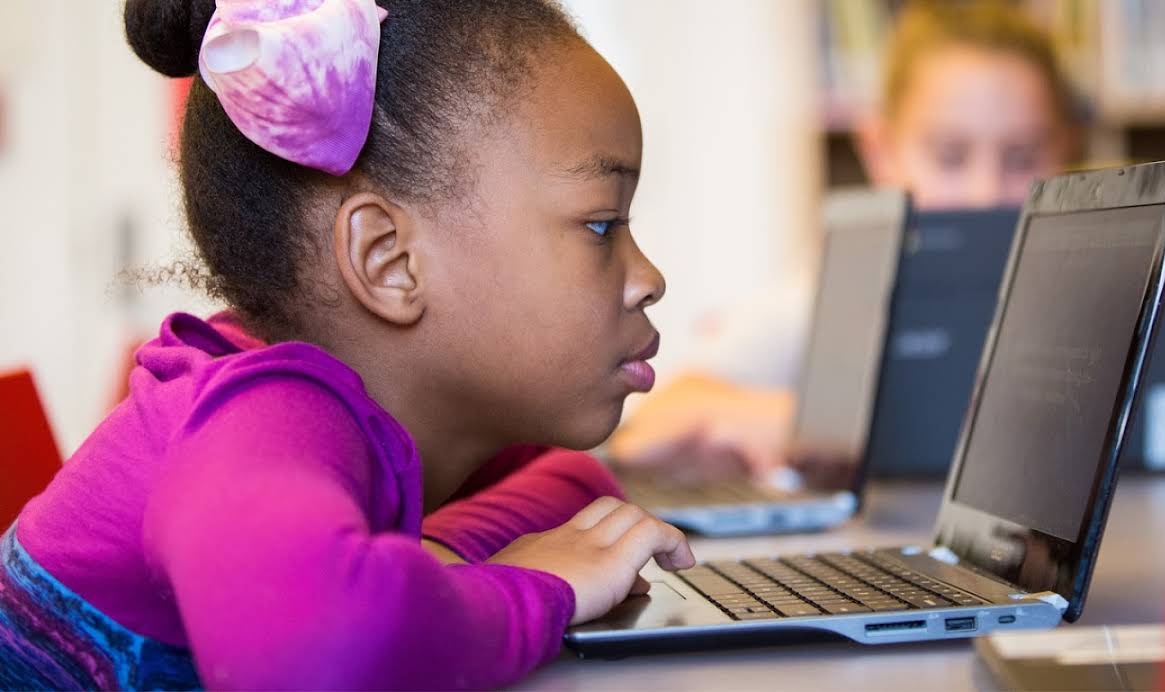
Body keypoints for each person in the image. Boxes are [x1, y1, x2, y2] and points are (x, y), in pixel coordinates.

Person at [0, 0, 695, 687]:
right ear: (389, 261)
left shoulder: (374, 410)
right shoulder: (260, 415)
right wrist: (541, 586)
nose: (649, 279)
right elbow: (318, 656)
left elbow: (581, 492)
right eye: (602, 225)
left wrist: (432, 567)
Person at [609, 0, 1083, 479]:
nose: (985, 193)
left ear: (1066, 150)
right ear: (880, 151)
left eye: (1022, 157)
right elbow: (650, 424)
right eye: (950, 157)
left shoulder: (1092, 297)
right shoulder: (822, 297)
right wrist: (817, 422)